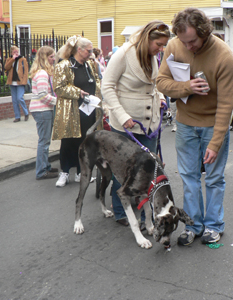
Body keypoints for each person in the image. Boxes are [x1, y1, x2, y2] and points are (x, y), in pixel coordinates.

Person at [157, 8, 233, 245]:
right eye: (183, 41)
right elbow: (161, 82)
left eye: (192, 41)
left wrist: (215, 142)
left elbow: (226, 105)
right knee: (189, 177)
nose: (188, 46)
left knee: (213, 178)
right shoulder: (174, 45)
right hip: (184, 124)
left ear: (204, 32)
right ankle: (193, 225)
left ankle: (213, 226)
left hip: (213, 125)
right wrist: (188, 87)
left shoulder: (223, 56)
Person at [102, 20, 170, 228]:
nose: (161, 49)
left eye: (163, 45)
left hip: (149, 124)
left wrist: (160, 97)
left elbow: (153, 84)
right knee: (123, 171)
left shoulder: (152, 55)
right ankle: (120, 210)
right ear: (147, 38)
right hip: (125, 125)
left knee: (149, 172)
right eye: (158, 44)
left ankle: (145, 217)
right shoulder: (123, 54)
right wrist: (122, 116)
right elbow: (107, 87)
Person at [52, 36, 103, 187]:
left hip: (89, 110)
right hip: (71, 111)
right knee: (68, 142)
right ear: (79, 50)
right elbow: (59, 87)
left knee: (85, 142)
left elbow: (97, 81)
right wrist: (78, 92)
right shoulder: (64, 65)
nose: (91, 53)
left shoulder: (90, 65)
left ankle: (81, 173)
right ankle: (65, 172)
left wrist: (97, 99)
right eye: (89, 50)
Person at [29, 46, 58, 180]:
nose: (54, 59)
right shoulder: (42, 74)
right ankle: (41, 171)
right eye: (51, 57)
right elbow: (42, 95)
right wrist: (57, 102)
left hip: (42, 110)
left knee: (44, 140)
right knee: (44, 142)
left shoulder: (42, 72)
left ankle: (45, 166)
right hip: (42, 110)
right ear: (45, 58)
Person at [5, 45, 30, 123]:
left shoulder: (22, 59)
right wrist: (13, 59)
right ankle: (17, 116)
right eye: (14, 52)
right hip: (12, 82)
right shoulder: (9, 59)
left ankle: (26, 113)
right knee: (14, 100)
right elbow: (6, 67)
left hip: (20, 82)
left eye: (17, 52)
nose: (16, 53)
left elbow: (26, 71)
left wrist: (24, 81)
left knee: (20, 98)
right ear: (11, 53)